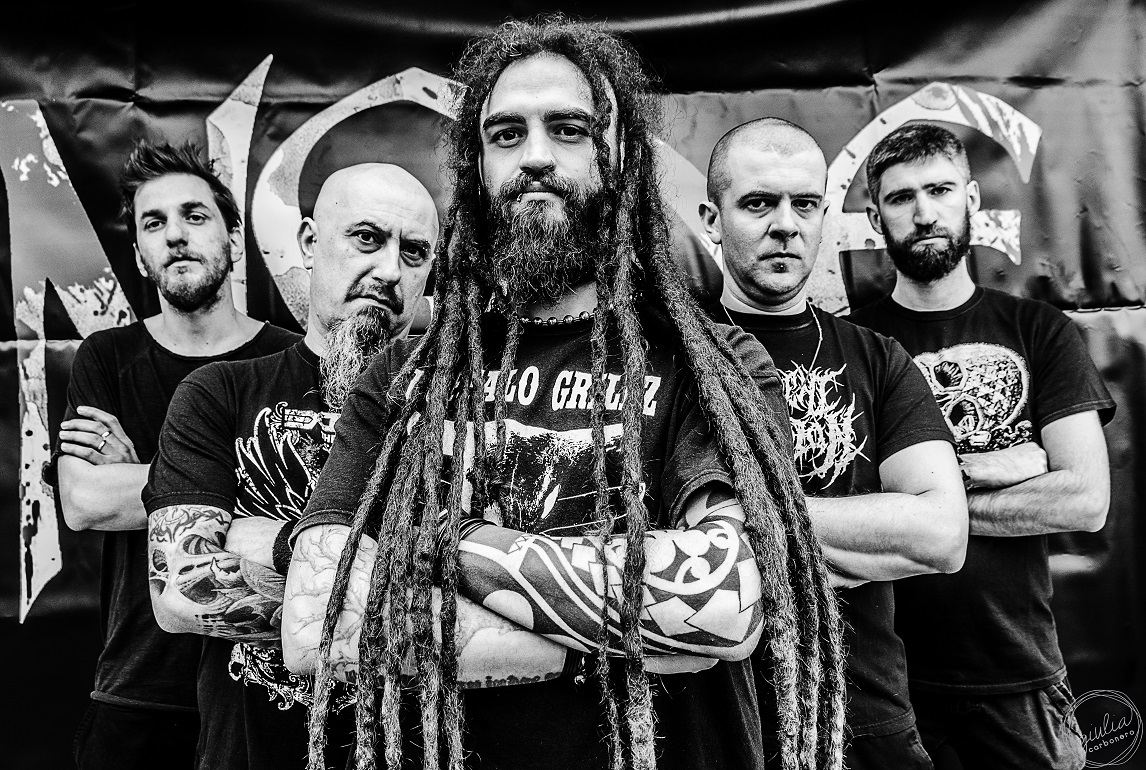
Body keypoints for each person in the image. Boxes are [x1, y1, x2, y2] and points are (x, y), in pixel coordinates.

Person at [284, 18, 846, 770]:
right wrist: (604, 645)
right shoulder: (405, 375)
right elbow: (318, 626)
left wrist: (441, 546)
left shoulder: (712, 365)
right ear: (477, 166)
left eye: (570, 129)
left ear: (620, 159)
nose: (535, 156)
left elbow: (722, 602)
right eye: (506, 134)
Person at [142, 163, 439, 770]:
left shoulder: (461, 403)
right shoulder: (218, 393)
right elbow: (179, 590)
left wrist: (265, 543)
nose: (390, 270)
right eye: (367, 238)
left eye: (414, 252)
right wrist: (314, 556)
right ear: (308, 242)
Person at [698, 117, 968, 769]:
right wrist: (866, 536)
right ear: (712, 220)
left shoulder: (877, 358)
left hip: (864, 719)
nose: (785, 225)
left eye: (805, 204)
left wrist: (738, 525)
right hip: (716, 725)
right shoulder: (667, 350)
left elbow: (940, 534)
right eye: (758, 203)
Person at [850, 122, 1114, 769]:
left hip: (1017, 673)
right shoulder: (852, 345)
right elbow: (838, 500)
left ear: (971, 198)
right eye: (901, 196)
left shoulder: (1040, 330)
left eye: (940, 190)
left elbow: (1084, 500)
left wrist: (921, 509)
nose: (924, 213)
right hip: (883, 684)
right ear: (875, 217)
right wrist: (995, 469)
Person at [50, 141, 298, 770]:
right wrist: (253, 477)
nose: (176, 235)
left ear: (233, 239)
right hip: (139, 686)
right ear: (139, 254)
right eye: (154, 223)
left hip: (263, 683)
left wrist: (144, 475)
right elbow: (83, 502)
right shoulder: (107, 357)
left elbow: (314, 499)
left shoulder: (291, 358)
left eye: (195, 215)